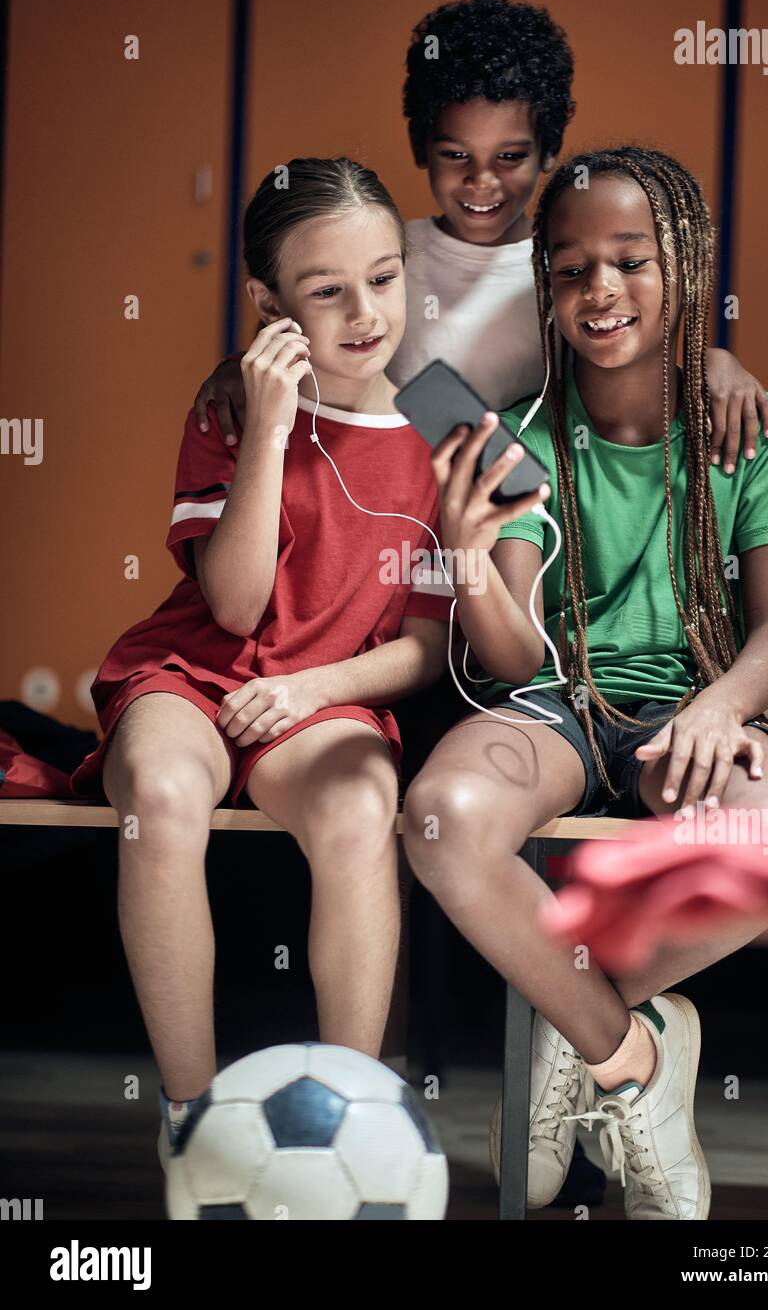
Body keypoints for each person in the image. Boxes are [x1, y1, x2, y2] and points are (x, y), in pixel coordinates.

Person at [190, 0, 768, 1208]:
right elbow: (317, 342)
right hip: (398, 605)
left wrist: (717, 356)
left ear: (548, 156)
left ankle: (579, 1054)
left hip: (516, 599)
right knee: (397, 823)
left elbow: (640, 337)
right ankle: (380, 1119)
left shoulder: (565, 257)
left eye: (511, 159)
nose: (480, 185)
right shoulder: (386, 254)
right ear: (418, 150)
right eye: (454, 156)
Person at [399, 145, 768, 1218]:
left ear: (683, 264)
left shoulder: (748, 425)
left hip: (687, 702)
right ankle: (628, 1059)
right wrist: (464, 556)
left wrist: (719, 704)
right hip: (553, 705)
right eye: (570, 268)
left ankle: (565, 1030)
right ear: (545, 285)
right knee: (442, 818)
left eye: (630, 262)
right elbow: (509, 660)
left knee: (767, 839)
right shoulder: (517, 438)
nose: (599, 291)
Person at [70, 157, 467, 1169]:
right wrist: (272, 432)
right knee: (158, 795)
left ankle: (354, 1114)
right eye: (325, 289)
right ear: (268, 303)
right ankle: (193, 1119)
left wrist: (311, 688)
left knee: (354, 810)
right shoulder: (230, 411)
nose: (363, 311)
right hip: (196, 676)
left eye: (380, 278)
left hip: (324, 690)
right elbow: (237, 604)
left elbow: (423, 649)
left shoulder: (446, 424)